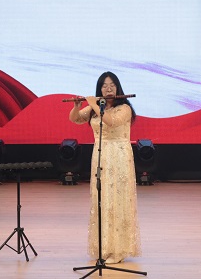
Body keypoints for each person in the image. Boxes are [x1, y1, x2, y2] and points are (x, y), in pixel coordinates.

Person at [69, 71, 141, 264]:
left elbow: (111, 122)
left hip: (119, 155)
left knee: (117, 201)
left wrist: (93, 103)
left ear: (117, 87)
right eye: (104, 86)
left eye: (112, 85)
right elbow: (75, 119)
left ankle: (118, 251)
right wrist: (77, 107)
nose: (108, 89)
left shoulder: (124, 108)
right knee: (102, 200)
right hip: (101, 156)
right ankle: (105, 247)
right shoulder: (96, 107)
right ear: (99, 89)